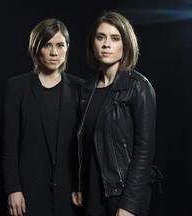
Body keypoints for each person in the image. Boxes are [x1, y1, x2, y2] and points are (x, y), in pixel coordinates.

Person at [72, 11, 157, 216]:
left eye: (115, 38)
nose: (106, 44)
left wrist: (129, 204)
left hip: (122, 194)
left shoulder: (138, 86)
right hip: (93, 195)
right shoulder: (87, 89)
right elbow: (85, 145)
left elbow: (144, 152)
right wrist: (80, 184)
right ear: (93, 43)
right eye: (100, 37)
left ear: (125, 44)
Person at [2, 18, 84, 216]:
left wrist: (81, 184)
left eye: (60, 45)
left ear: (67, 47)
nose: (54, 52)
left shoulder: (81, 88)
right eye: (47, 45)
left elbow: (84, 145)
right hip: (29, 189)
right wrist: (13, 188)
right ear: (36, 47)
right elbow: (10, 143)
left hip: (69, 191)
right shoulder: (18, 87)